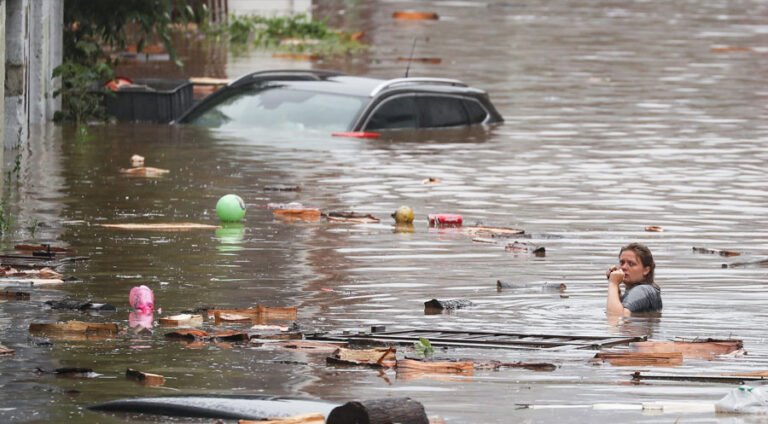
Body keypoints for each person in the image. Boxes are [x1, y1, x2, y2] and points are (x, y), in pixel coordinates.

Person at [605, 243, 662, 316]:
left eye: (631, 264)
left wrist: (613, 284)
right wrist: (616, 288)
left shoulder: (641, 290)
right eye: (622, 263)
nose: (624, 267)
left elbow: (616, 317)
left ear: (646, 270)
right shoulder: (647, 290)